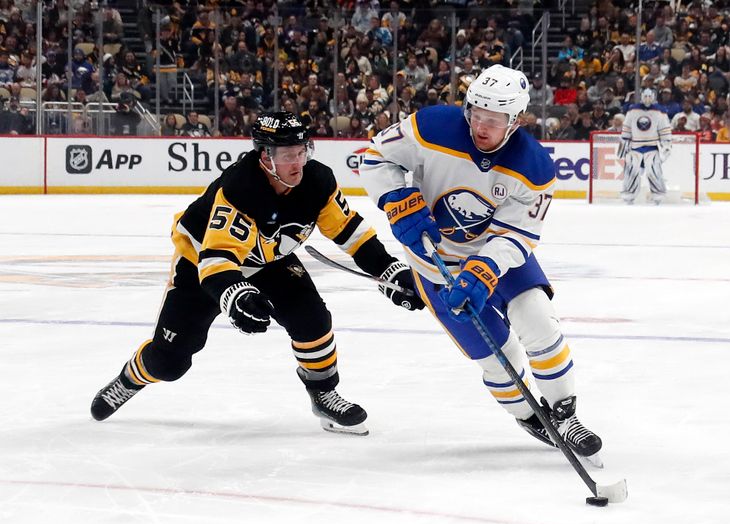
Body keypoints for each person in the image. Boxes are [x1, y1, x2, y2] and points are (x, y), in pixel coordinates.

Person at [90, 112, 424, 435]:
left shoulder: (318, 181)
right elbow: (216, 260)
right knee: (169, 364)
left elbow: (350, 232)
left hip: (267, 259)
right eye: (287, 155)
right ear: (265, 157)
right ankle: (131, 379)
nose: (298, 163)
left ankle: (323, 394)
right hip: (201, 262)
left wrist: (389, 270)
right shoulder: (240, 188)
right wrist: (235, 295)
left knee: (311, 319)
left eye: (301, 151)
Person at [359, 64, 603, 462]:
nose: (481, 126)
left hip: (499, 255)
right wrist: (396, 200)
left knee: (537, 319)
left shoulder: (535, 166)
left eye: (494, 119)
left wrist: (483, 270)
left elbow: (516, 234)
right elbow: (374, 159)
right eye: (475, 114)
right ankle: (529, 415)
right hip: (434, 265)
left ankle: (565, 413)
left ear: (516, 120)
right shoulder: (432, 126)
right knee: (498, 356)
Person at [618, 88, 673, 205]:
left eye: (650, 96)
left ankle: (658, 195)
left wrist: (666, 145)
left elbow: (664, 130)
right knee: (631, 169)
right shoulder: (633, 110)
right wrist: (624, 141)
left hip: (652, 146)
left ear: (654, 97)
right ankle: (629, 195)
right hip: (635, 146)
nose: (647, 99)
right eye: (645, 96)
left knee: (653, 170)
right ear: (641, 96)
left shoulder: (660, 111)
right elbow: (627, 127)